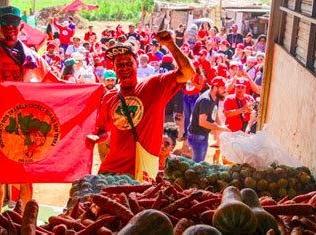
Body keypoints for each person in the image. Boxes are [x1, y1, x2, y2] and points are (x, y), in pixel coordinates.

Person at [0, 5, 61, 210]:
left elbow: (53, 82)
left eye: (14, 24)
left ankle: (27, 219)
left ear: (22, 26)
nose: (10, 27)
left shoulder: (33, 58)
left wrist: (88, 90)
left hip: (25, 124)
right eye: (5, 24)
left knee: (25, 175)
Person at [90, 30, 195, 178]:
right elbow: (103, 130)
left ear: (137, 63)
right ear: (113, 68)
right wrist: (96, 138)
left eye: (128, 63)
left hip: (142, 170)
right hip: (112, 169)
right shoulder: (110, 97)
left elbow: (188, 73)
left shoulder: (154, 85)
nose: (124, 68)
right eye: (119, 64)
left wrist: (170, 44)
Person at [188, 77, 229, 162]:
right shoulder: (206, 100)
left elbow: (215, 112)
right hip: (197, 136)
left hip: (203, 134)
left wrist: (221, 125)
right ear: (215, 87)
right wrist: (220, 128)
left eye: (225, 88)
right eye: (223, 88)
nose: (225, 90)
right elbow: (202, 122)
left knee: (200, 161)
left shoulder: (216, 96)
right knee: (197, 163)